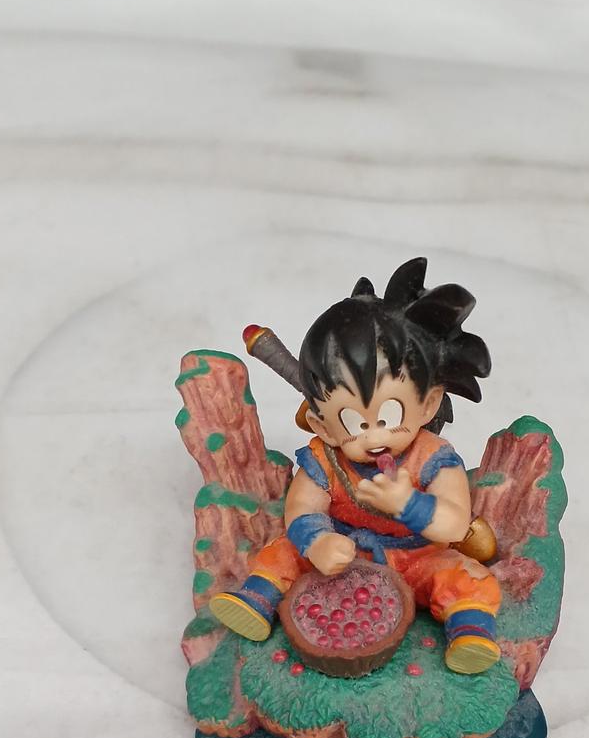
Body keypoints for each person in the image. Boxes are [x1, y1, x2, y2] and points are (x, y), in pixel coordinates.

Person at [209, 258, 501, 674]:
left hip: (416, 557)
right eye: (352, 422)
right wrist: (317, 542)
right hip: (344, 554)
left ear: (429, 404)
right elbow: (302, 507)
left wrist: (409, 505)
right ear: (322, 425)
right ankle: (256, 599)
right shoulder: (325, 457)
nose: (373, 436)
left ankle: (470, 633)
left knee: (467, 578)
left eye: (389, 415)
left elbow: (454, 525)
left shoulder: (434, 458)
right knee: (283, 551)